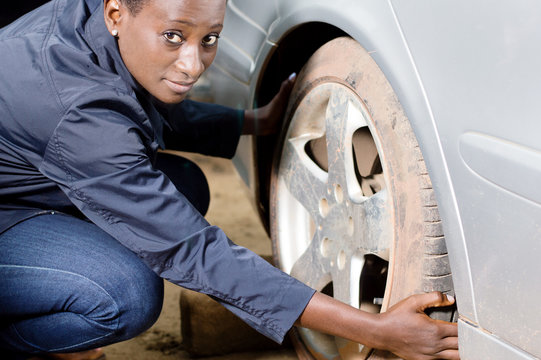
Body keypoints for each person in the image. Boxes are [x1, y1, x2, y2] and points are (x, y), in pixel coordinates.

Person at [0, 0, 459, 359]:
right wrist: (376, 329)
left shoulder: (98, 25)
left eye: (210, 38)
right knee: (124, 294)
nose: (193, 64)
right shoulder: (72, 105)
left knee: (184, 186)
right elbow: (192, 250)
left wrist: (253, 121)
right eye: (174, 36)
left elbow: (130, 100)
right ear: (117, 14)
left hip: (24, 180)